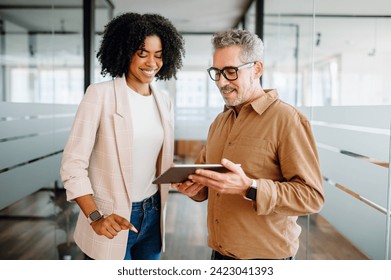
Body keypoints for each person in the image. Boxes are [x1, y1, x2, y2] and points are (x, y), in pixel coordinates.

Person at [175, 29, 324, 260]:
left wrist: (250, 187)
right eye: (217, 72)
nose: (222, 82)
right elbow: (206, 181)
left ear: (256, 69)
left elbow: (311, 197)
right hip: (219, 253)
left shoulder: (288, 119)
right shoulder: (220, 122)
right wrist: (194, 189)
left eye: (231, 72)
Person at [60, 12, 185, 260]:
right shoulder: (100, 95)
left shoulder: (164, 101)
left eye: (159, 55)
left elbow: (157, 161)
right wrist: (95, 217)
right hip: (110, 218)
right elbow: (72, 165)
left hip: (153, 213)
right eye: (142, 53)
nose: (152, 62)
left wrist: (182, 178)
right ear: (125, 51)